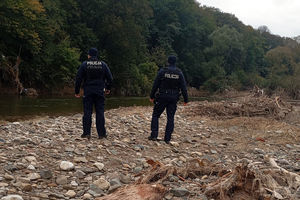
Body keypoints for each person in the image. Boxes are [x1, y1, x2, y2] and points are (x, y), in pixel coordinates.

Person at [148, 55, 188, 144]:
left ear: (168, 61)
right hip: (174, 98)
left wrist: (151, 96)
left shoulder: (163, 71)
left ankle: (154, 135)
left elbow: (156, 84)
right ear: (175, 62)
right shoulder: (179, 73)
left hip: (162, 96)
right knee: (170, 118)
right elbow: (183, 87)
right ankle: (167, 138)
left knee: (156, 115)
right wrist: (186, 100)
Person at [75, 48, 113, 139]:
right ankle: (101, 134)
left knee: (87, 112)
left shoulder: (85, 64)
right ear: (96, 55)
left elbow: (78, 78)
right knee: (100, 112)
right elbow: (110, 78)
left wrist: (77, 91)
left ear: (89, 55)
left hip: (88, 91)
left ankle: (86, 133)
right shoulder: (103, 65)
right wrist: (108, 88)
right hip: (100, 91)